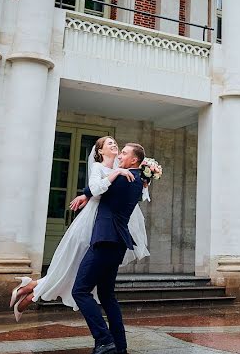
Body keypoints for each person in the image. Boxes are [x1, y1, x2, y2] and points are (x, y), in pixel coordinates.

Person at [9, 136, 148, 320]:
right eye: (109, 144)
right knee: (72, 264)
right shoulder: (100, 168)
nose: (115, 145)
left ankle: (30, 288)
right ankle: (30, 293)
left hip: (112, 223)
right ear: (100, 151)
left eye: (116, 143)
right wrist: (91, 192)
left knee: (78, 270)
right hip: (93, 222)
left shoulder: (121, 168)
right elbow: (97, 187)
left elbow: (128, 186)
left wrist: (147, 176)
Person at [72, 142, 146, 354]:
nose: (120, 156)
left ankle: (104, 340)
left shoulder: (124, 177)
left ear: (134, 160)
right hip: (118, 242)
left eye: (124, 153)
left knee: (80, 290)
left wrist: (84, 194)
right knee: (106, 295)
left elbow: (96, 189)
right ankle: (120, 345)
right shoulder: (138, 180)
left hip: (105, 240)